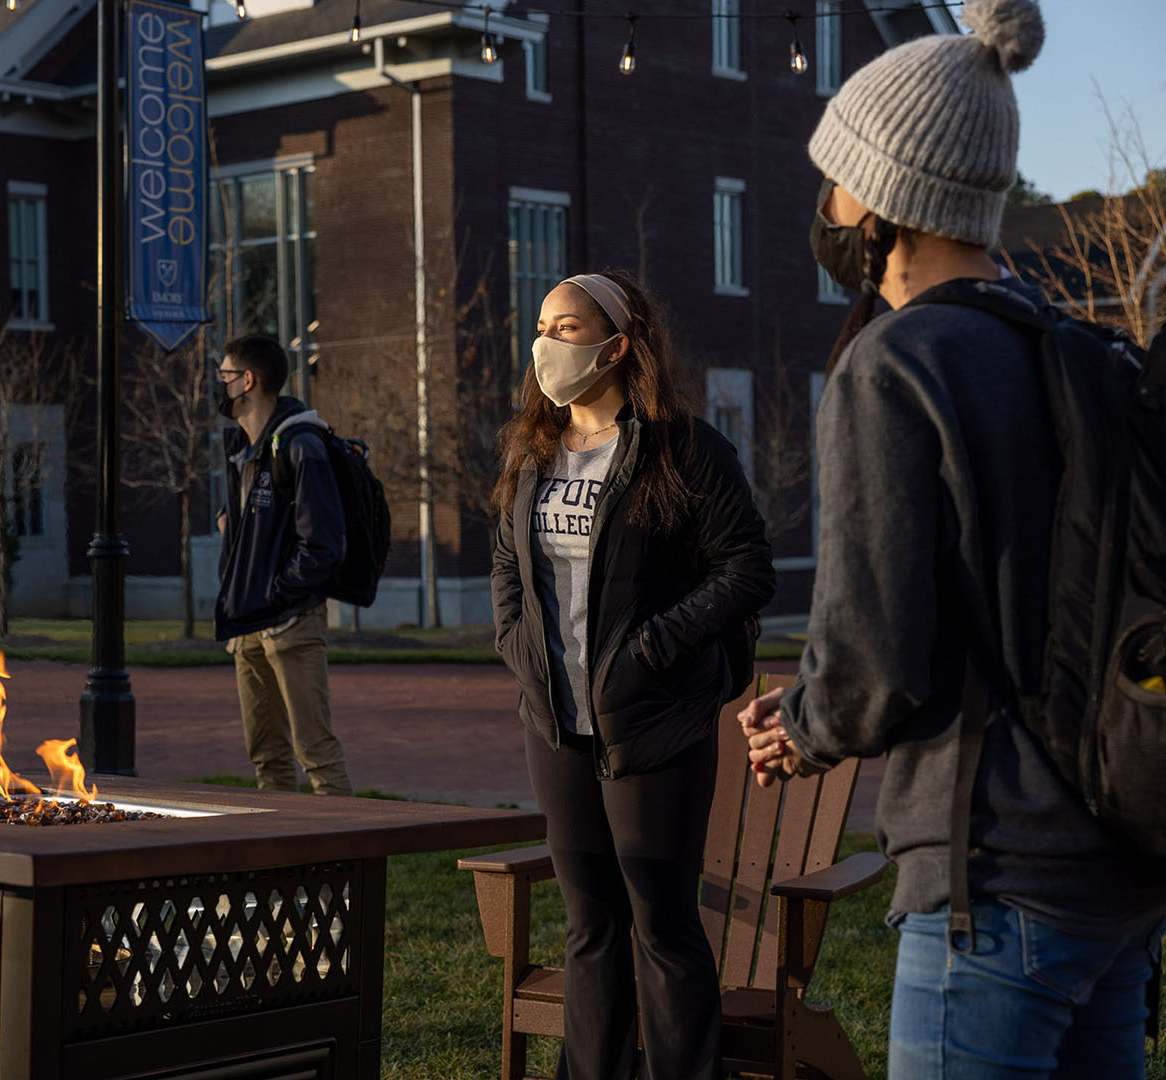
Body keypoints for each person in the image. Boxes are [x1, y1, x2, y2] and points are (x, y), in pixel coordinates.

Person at [741, 1, 1166, 1076]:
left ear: (888, 201)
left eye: (836, 175)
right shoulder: (1081, 352)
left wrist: (800, 724)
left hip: (992, 878)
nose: (824, 202)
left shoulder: (898, 367)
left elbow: (875, 662)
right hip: (1120, 867)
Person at [491, 271, 774, 1080]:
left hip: (654, 723)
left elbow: (747, 569)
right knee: (589, 926)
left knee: (661, 925)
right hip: (557, 725)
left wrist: (653, 649)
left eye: (567, 327)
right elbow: (508, 568)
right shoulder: (532, 450)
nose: (547, 342)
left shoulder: (681, 447)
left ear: (617, 345)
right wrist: (519, 646)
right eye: (543, 324)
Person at [213, 334, 352, 796]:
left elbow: (323, 545)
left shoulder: (301, 444)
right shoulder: (241, 447)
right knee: (267, 759)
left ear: (247, 381)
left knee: (317, 756)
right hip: (248, 622)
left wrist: (278, 594)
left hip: (288, 622)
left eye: (225, 375)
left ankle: (346, 862)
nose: (220, 384)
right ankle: (280, 863)